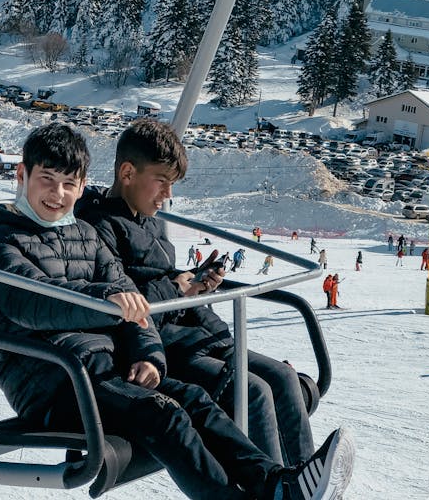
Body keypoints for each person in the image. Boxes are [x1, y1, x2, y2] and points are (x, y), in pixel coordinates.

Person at [0, 123, 354, 500]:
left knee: (194, 401)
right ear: (22, 175)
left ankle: (277, 484)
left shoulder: (82, 235)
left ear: (82, 185)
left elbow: (131, 301)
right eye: (47, 179)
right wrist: (107, 301)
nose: (57, 194)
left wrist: (148, 356)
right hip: (55, 382)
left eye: (69, 184)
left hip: (103, 372)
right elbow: (33, 301)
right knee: (165, 414)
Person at [76, 119, 329, 470]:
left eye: (172, 185)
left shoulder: (149, 220)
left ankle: (302, 483)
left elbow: (162, 280)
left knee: (284, 378)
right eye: (161, 183)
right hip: (158, 346)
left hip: (194, 331)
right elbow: (122, 302)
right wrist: (178, 288)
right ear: (127, 172)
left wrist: (196, 284)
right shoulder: (98, 228)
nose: (168, 196)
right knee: (251, 392)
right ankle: (275, 489)